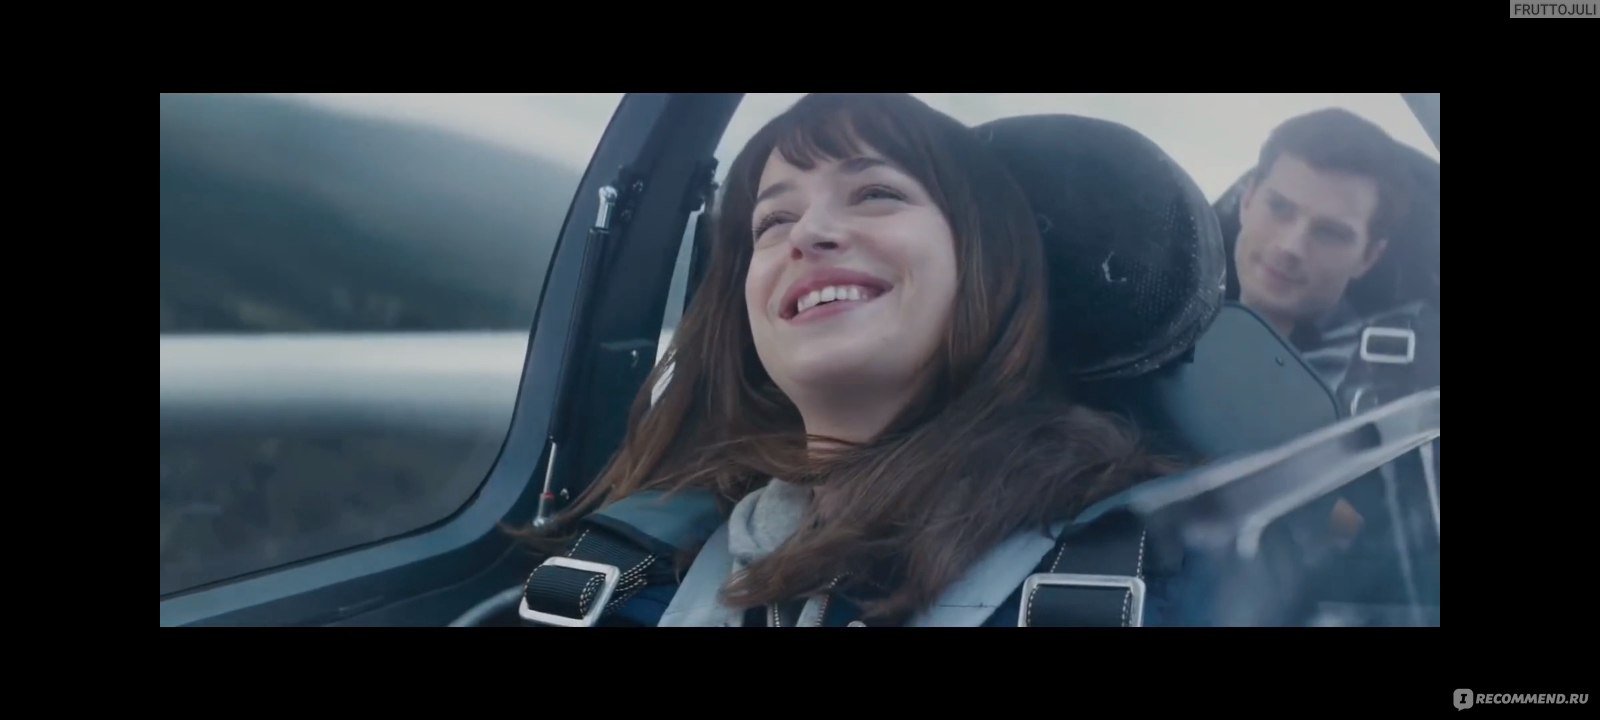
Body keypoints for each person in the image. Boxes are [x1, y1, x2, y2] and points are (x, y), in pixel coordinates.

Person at [515, 93, 1199, 627]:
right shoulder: (630, 577)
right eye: (773, 221)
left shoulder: (1157, 578)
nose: (809, 233)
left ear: (988, 263)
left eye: (877, 194)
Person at [1231, 108, 1424, 395]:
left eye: (1330, 232)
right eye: (1279, 207)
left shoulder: (1365, 395)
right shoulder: (1164, 308)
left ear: (1368, 257)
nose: (1290, 246)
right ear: (1247, 200)